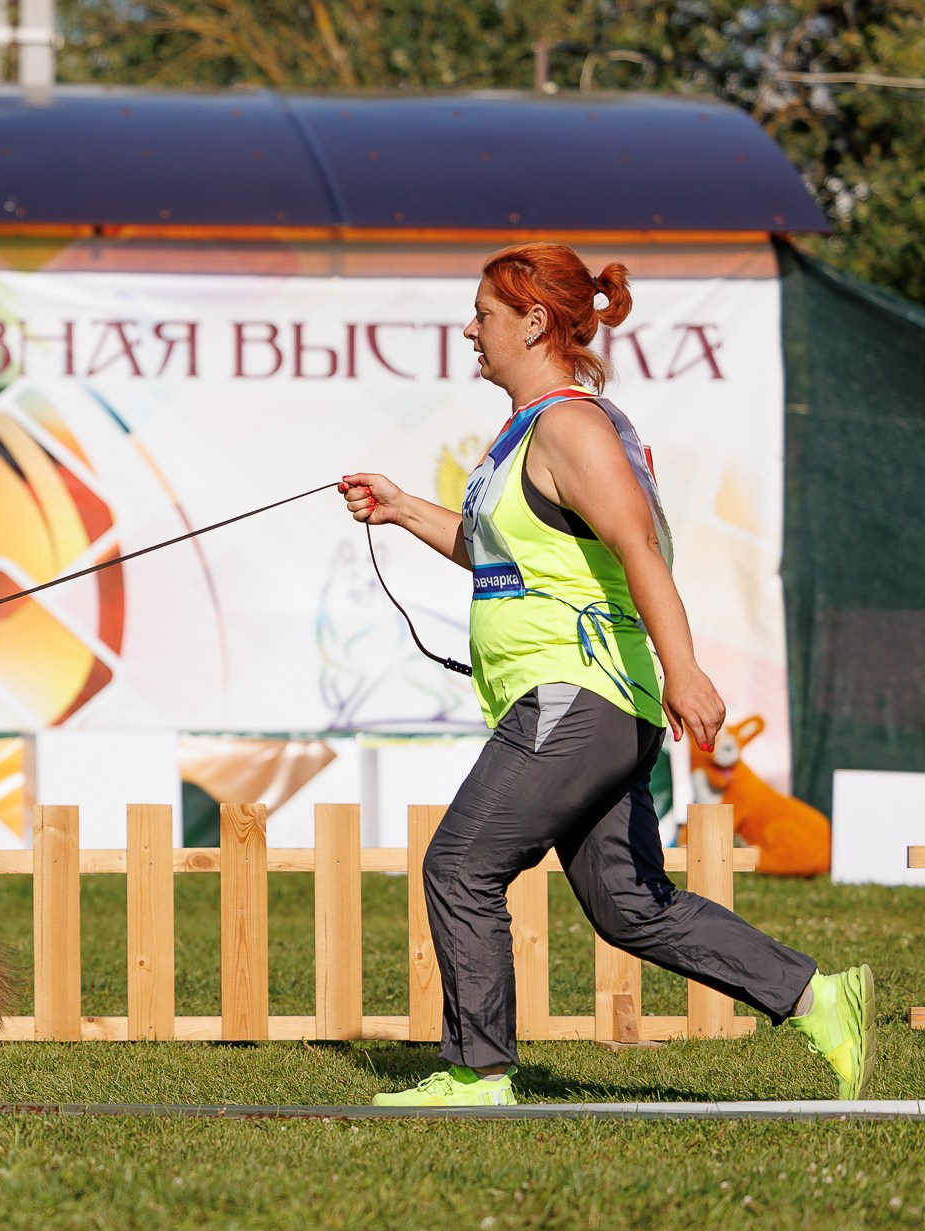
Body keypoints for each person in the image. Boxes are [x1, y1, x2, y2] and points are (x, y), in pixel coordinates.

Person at [339, 242, 874, 1107]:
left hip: (576, 696)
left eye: (484, 313)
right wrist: (402, 507)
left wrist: (685, 667)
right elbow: (493, 556)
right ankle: (818, 996)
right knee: (631, 907)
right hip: (587, 701)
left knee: (460, 864)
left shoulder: (570, 426)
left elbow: (637, 546)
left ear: (536, 321)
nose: (470, 328)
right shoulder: (526, 433)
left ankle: (477, 1073)